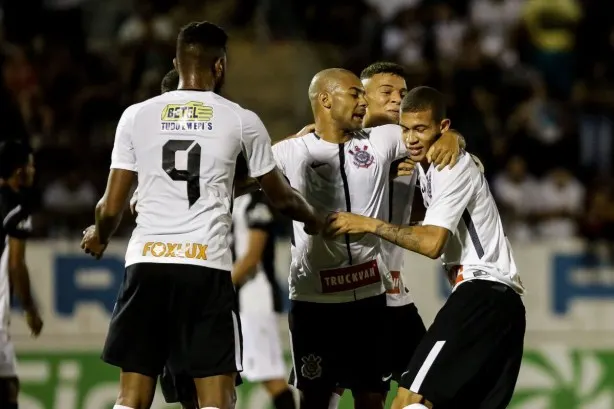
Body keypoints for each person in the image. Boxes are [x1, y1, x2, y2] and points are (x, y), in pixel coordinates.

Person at [80, 21, 322, 409]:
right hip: (204, 266)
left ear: (176, 62)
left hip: (146, 265)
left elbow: (110, 207)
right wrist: (316, 219)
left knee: (132, 397)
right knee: (216, 398)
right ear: (221, 65)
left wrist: (100, 234)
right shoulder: (240, 119)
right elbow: (283, 198)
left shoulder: (135, 116)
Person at [327, 86, 526, 409]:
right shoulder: (432, 161)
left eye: (420, 129)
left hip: (481, 295)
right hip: (502, 306)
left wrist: (367, 223)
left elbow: (433, 243)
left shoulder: (449, 164)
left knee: (408, 399)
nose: (411, 138)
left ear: (442, 128)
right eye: (406, 129)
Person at [274, 68, 461, 409]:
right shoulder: (304, 147)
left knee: (411, 390)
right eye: (385, 92)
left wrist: (452, 138)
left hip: (383, 290)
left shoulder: (397, 143)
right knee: (323, 392)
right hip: (323, 292)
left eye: (403, 93)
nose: (398, 100)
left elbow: (438, 135)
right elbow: (259, 172)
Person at [231, 191, 297, 409]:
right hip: (238, 300)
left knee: (269, 374)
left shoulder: (256, 203)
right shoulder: (231, 201)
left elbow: (251, 257)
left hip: (255, 299)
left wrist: (218, 287)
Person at [0, 140, 43, 409]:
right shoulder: (16, 208)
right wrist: (29, 308)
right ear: (19, 172)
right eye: (30, 165)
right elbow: (16, 264)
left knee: (9, 386)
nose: (33, 170)